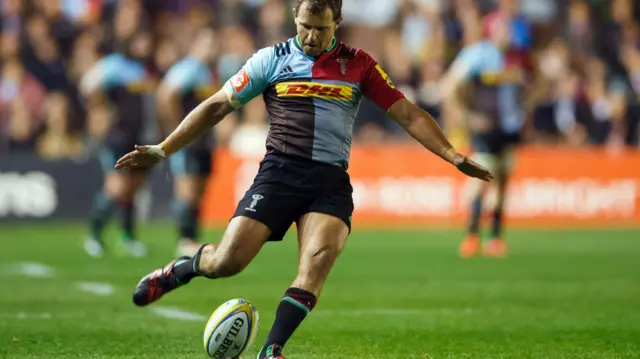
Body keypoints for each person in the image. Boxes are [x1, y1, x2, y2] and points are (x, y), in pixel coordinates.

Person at [115, 1, 492, 358]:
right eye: (305, 27)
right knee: (227, 262)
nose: (311, 36)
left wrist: (452, 155)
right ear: (294, 17)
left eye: (321, 29)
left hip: (329, 182)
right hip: (279, 173)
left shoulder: (359, 65)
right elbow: (217, 105)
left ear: (337, 25)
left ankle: (272, 349)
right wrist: (164, 148)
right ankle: (182, 269)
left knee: (316, 263)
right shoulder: (271, 59)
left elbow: (407, 114)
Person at [440, 13, 528, 258]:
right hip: (485, 128)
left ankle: (496, 238)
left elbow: (530, 85)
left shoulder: (517, 57)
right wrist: (468, 117)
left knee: (503, 180)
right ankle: (472, 234)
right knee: (482, 178)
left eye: (509, 29)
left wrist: (525, 107)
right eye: (503, 29)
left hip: (509, 128)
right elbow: (450, 86)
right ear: (491, 31)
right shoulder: (479, 55)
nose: (508, 34)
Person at [80, 30, 154, 258]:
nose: (145, 45)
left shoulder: (141, 69)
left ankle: (128, 237)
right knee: (116, 187)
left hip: (138, 137)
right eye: (141, 40)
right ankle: (93, 235)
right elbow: (88, 85)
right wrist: (100, 111)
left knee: (133, 187)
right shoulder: (113, 65)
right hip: (118, 136)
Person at [156, 28, 219, 257]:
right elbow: (166, 95)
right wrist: (178, 130)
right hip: (191, 140)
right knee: (187, 189)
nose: (213, 49)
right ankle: (184, 239)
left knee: (199, 189)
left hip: (204, 141)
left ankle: (192, 236)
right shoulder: (188, 68)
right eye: (208, 44)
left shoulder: (208, 72)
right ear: (196, 45)